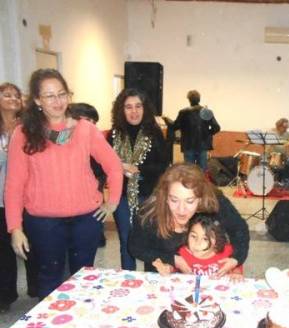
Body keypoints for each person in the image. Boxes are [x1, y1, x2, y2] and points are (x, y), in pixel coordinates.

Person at [5, 68, 123, 299]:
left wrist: (113, 202)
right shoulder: (24, 133)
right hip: (43, 223)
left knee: (85, 279)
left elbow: (114, 166)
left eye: (62, 94)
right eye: (49, 96)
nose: (57, 101)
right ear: (37, 100)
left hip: (86, 220)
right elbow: (14, 184)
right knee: (49, 279)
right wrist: (15, 228)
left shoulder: (85, 129)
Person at [128, 163, 249, 276]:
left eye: (189, 201)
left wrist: (236, 259)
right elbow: (135, 247)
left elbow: (239, 229)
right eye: (174, 200)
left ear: (200, 199)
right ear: (165, 197)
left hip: (207, 277)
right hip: (163, 278)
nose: (181, 210)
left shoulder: (215, 202)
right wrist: (173, 259)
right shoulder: (148, 214)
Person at [108, 88, 169, 270]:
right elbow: (103, 163)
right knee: (126, 241)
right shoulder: (113, 134)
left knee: (150, 242)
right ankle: (129, 282)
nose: (134, 111)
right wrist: (119, 167)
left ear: (145, 108)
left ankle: (151, 283)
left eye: (138, 106)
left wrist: (136, 169)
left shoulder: (154, 133)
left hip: (149, 197)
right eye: (128, 107)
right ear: (121, 110)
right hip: (122, 197)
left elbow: (163, 165)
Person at [0, 82, 37, 312]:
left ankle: (37, 288)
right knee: (4, 251)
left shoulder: (28, 127)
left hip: (28, 198)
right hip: (1, 200)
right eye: (7, 95)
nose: (13, 98)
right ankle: (5, 296)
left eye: (16, 95)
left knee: (33, 246)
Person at [69, 103, 107, 247]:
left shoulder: (95, 137)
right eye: (87, 121)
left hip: (95, 183)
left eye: (94, 122)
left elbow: (105, 163)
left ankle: (98, 237)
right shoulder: (63, 138)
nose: (91, 126)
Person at [172, 213, 243, 281]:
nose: (197, 243)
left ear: (217, 241)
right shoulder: (181, 254)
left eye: (205, 239)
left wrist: (236, 273)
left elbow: (237, 264)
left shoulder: (227, 252)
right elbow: (169, 269)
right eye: (193, 236)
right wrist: (167, 267)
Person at [169, 90, 220, 171]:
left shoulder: (183, 112)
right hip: (203, 145)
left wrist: (166, 120)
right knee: (202, 171)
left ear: (189, 99)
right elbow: (216, 128)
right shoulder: (206, 112)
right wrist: (207, 134)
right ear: (199, 99)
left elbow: (175, 127)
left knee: (189, 171)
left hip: (188, 146)